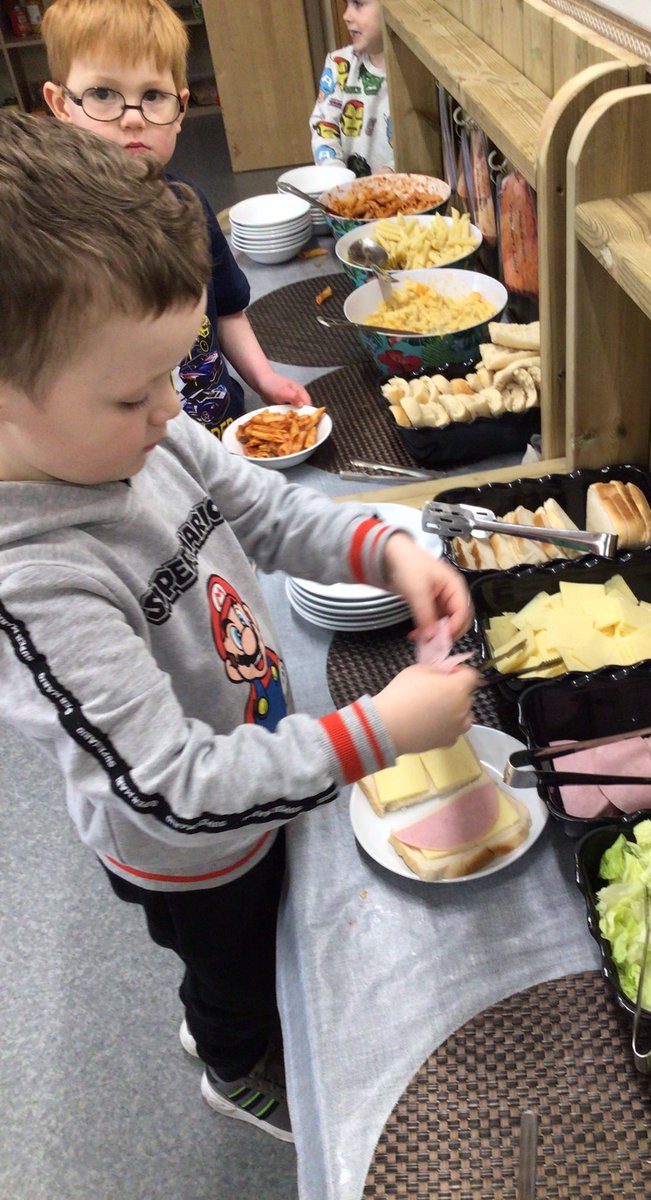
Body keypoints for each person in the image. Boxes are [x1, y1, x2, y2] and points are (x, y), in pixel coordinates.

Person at [0, 111, 478, 1143]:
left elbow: (265, 509)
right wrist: (379, 733)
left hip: (264, 754)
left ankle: (238, 1015)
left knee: (274, 933)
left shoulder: (149, 437)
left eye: (174, 371)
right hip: (190, 852)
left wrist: (385, 551)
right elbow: (174, 788)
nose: (174, 409)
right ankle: (229, 1060)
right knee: (232, 964)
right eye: (135, 392)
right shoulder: (33, 578)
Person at [41, 0, 312, 440]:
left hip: (224, 434)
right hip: (139, 462)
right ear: (60, 104)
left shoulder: (188, 204)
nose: (132, 118)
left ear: (180, 108)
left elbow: (227, 312)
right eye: (103, 94)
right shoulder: (54, 231)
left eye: (152, 96)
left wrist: (265, 380)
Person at [310, 0, 393, 176]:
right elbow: (324, 127)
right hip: (348, 192)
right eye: (347, 4)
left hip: (405, 192)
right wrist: (336, 176)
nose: (346, 16)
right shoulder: (339, 64)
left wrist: (394, 169)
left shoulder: (416, 79)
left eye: (358, 4)